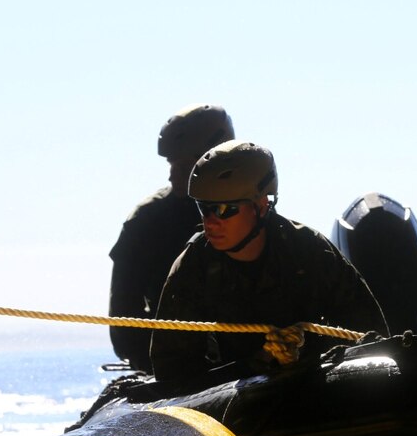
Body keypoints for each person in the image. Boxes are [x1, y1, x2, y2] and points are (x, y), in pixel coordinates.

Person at [150, 140, 389, 382]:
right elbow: (173, 369)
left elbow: (370, 336)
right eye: (204, 208)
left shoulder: (309, 251)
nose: (211, 221)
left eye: (224, 209)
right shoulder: (193, 268)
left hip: (318, 385)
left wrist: (305, 353)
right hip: (235, 400)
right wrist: (255, 365)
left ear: (262, 205)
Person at [108, 103, 236, 373]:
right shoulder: (146, 221)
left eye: (183, 163)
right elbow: (124, 316)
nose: (172, 172)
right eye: (171, 163)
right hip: (172, 366)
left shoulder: (248, 209)